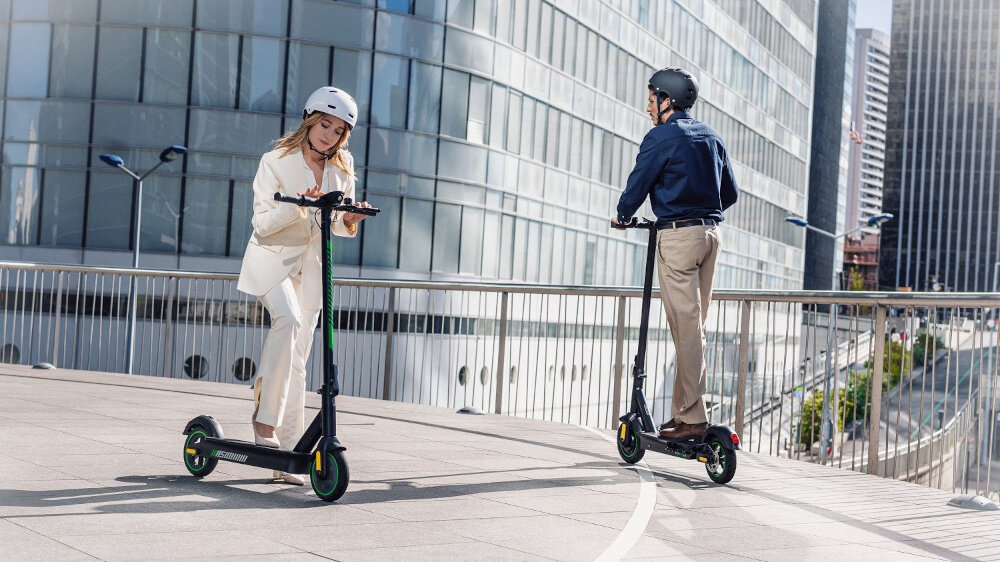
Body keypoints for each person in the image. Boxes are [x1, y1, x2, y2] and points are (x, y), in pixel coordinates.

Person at [236, 86, 371, 485]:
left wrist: (350, 221)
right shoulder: (274, 161)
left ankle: (288, 454)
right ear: (310, 121)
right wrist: (296, 203)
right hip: (273, 260)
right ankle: (264, 422)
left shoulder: (342, 171)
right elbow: (261, 225)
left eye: (338, 130)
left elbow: (331, 224)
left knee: (298, 361)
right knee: (289, 321)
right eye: (324, 124)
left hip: (312, 270)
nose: (329, 134)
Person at [612, 68, 739, 441]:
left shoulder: (661, 137)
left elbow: (638, 183)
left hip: (679, 240)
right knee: (693, 328)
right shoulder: (712, 137)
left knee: (686, 329)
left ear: (667, 101)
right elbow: (728, 193)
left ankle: (695, 418)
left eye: (652, 99)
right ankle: (684, 414)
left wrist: (623, 215)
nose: (648, 106)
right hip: (711, 236)